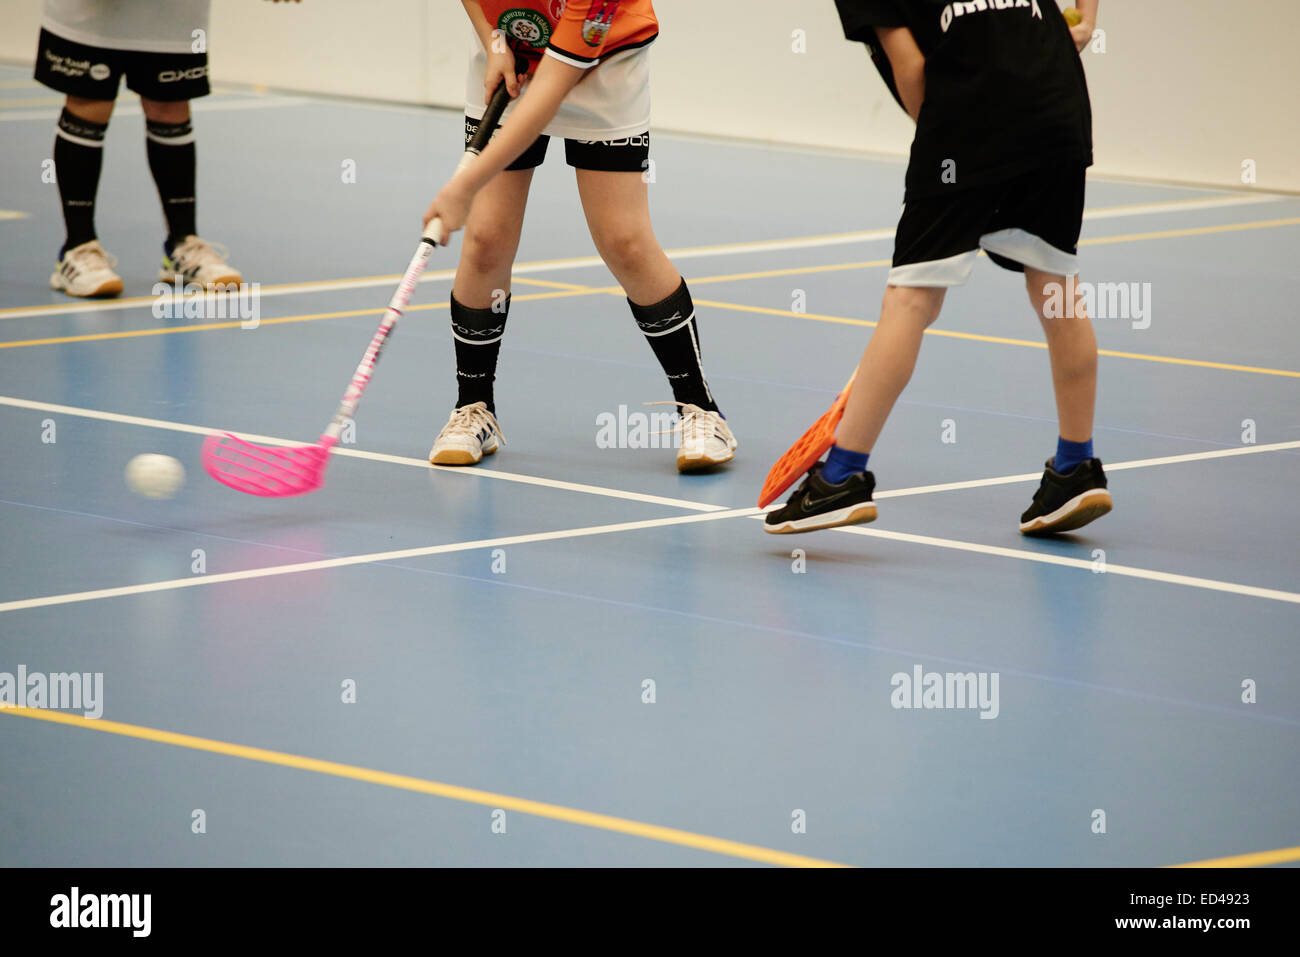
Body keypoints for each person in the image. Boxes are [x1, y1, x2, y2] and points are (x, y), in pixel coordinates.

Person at [765, 0, 1109, 536]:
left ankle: (841, 477)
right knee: (1057, 286)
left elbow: (911, 66)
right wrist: (1087, 19)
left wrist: (945, 148)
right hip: (1057, 107)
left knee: (912, 296)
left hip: (970, 113)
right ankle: (1076, 466)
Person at [421, 0, 737, 472]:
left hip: (602, 64)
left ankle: (702, 409)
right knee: (486, 237)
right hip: (512, 45)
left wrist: (465, 184)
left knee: (624, 241)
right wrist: (492, 38)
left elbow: (546, 95)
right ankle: (474, 408)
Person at [35, 0, 242, 298]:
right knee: (90, 102)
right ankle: (78, 247)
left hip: (173, 11)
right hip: (95, 11)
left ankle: (182, 244)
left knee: (171, 103)